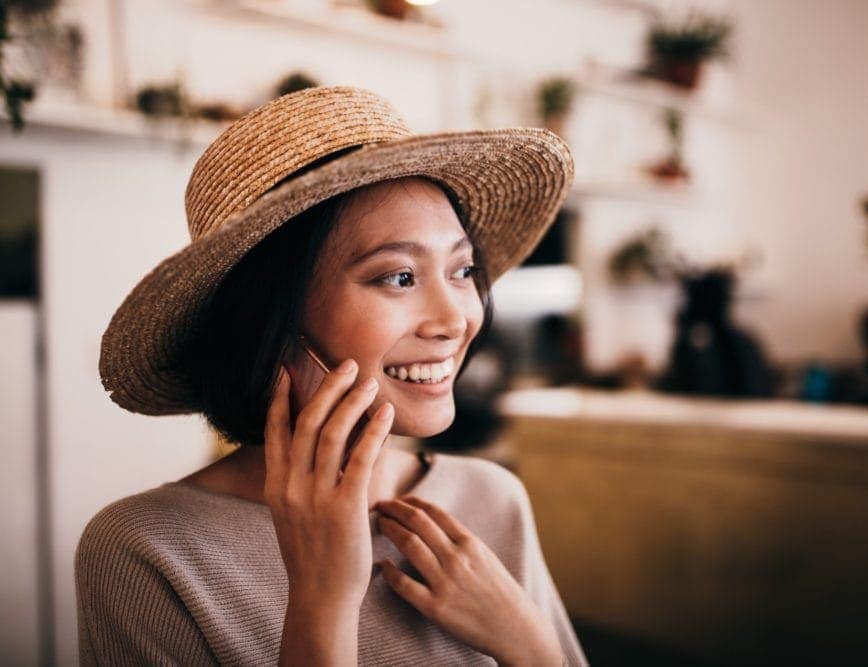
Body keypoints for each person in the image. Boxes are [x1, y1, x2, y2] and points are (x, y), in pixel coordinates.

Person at [75, 87, 586, 666]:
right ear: (273, 321)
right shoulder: (147, 552)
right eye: (397, 277)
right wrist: (321, 603)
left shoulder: (492, 500)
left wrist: (531, 645)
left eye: (463, 269)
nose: (454, 320)